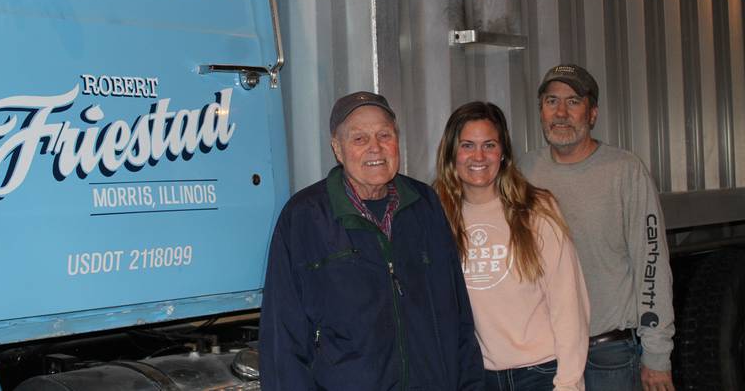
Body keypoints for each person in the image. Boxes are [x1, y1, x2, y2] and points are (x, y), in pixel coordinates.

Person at [259, 91, 485, 390]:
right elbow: (282, 340)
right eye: (359, 139)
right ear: (337, 149)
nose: (375, 148)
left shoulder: (425, 204)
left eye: (384, 135)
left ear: (397, 141)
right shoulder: (304, 217)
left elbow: (458, 317)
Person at [518, 64, 675, 391]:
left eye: (573, 101)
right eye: (551, 101)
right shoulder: (523, 172)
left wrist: (657, 354)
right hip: (546, 353)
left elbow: (651, 264)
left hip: (608, 352)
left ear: (592, 114)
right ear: (541, 111)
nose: (560, 112)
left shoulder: (625, 171)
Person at [434, 101, 590, 391]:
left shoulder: (537, 209)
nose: (478, 156)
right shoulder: (437, 216)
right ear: (451, 153)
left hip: (541, 374)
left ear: (503, 153)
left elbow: (569, 303)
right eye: (467, 145)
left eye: (489, 145)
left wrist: (569, 383)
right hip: (477, 378)